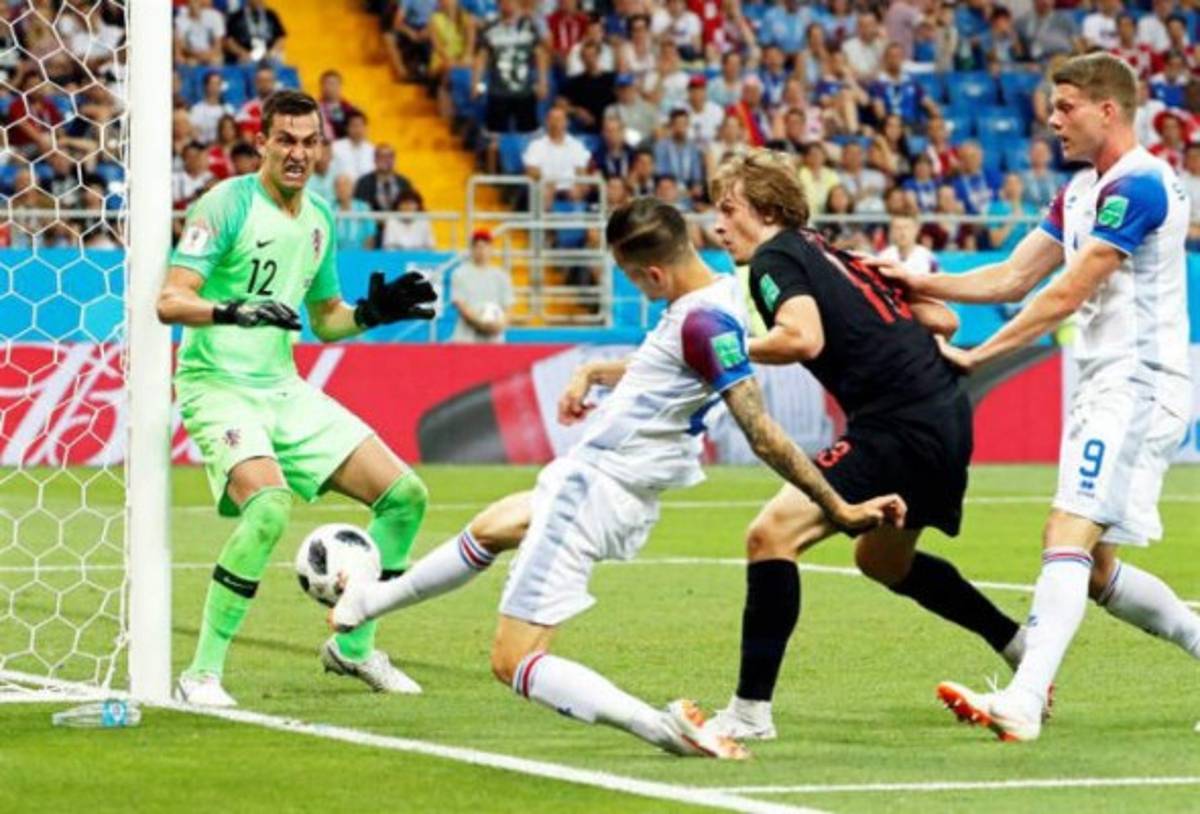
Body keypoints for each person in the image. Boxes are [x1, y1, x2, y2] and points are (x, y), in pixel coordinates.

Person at [330, 198, 905, 759]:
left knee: (512, 660)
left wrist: (838, 506)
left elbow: (762, 434)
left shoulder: (702, 322)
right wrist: (595, 369)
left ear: (652, 273)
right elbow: (676, 363)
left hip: (593, 490)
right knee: (496, 525)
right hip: (609, 486)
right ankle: (368, 601)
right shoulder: (719, 294)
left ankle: (663, 729)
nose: (634, 286)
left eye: (631, 276)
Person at [879, 54, 1198, 742]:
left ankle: (1023, 700)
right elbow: (1011, 277)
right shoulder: (1081, 191)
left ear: (1107, 110)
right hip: (1105, 385)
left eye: (1065, 106)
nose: (1052, 120)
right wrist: (913, 282)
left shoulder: (1142, 185)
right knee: (1096, 570)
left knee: (1066, 532)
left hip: (1141, 384)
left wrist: (980, 355)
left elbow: (1067, 292)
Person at [701, 148, 1033, 742]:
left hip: (897, 424)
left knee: (771, 535)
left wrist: (724, 348)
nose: (717, 225)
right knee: (883, 561)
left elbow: (802, 339)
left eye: (729, 209)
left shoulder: (775, 258)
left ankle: (749, 713)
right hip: (944, 413)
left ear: (767, 209)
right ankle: (1019, 644)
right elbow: (945, 320)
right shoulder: (830, 250)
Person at [157, 90, 439, 707]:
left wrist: (372, 313)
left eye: (309, 142)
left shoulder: (319, 218)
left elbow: (327, 319)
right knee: (269, 509)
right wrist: (232, 310)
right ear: (261, 142)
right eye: (285, 139)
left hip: (283, 388)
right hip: (218, 385)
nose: (298, 153)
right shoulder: (226, 203)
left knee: (405, 498)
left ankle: (353, 647)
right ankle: (201, 674)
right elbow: (170, 301)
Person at [450, 229, 514, 342]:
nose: (482, 251)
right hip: (466, 339)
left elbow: (509, 307)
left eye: (485, 246)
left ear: (491, 249)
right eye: (478, 246)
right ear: (472, 249)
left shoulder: (502, 276)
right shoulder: (460, 274)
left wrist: (501, 324)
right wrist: (482, 324)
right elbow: (461, 305)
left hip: (494, 340)